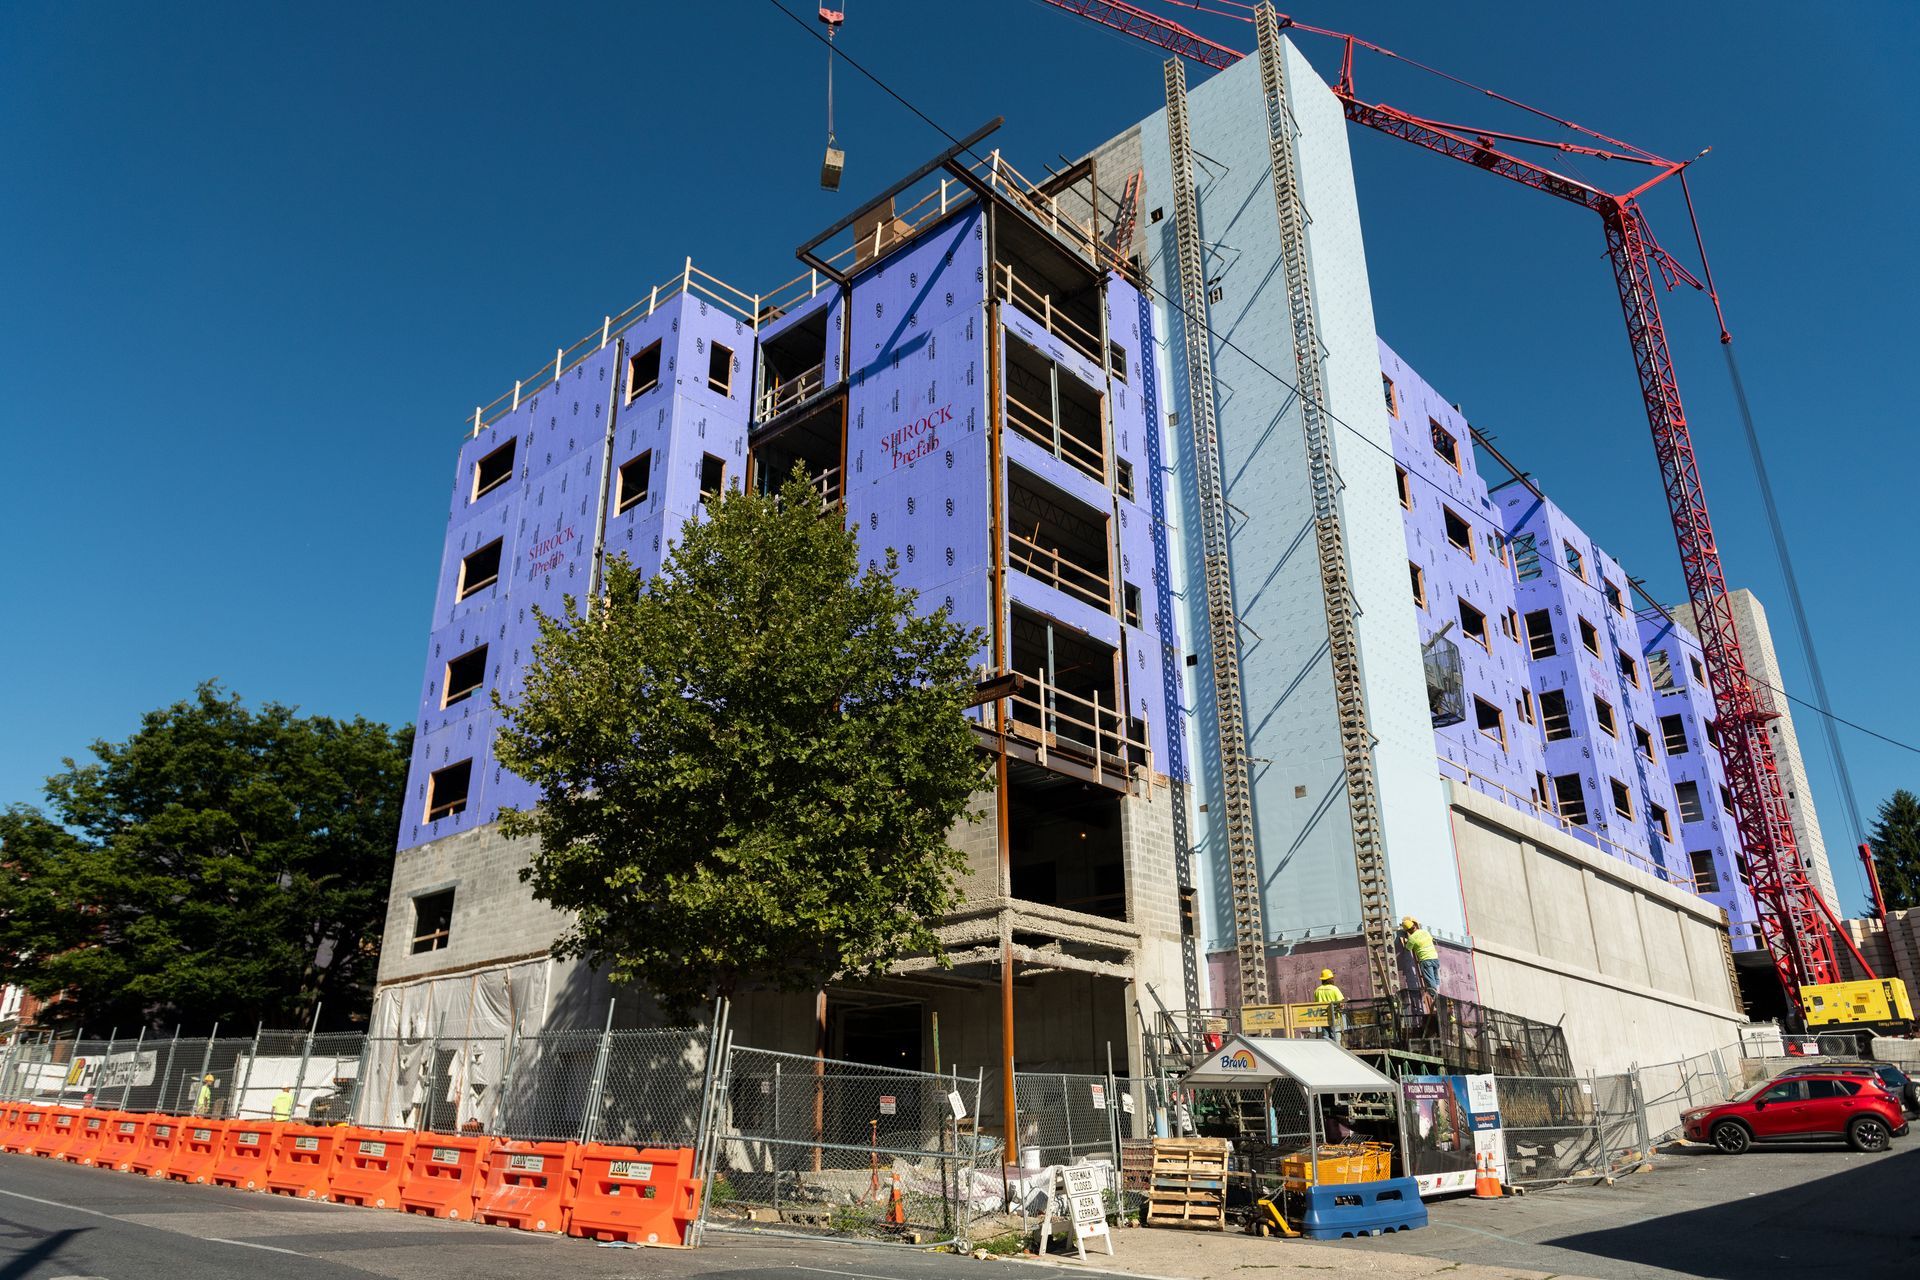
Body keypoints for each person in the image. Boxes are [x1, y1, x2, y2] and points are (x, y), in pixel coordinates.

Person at [1401, 916, 1440, 1014]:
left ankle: (1437, 1001)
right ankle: (1439, 995)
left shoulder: (1412, 938)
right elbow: (1430, 940)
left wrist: (1406, 942)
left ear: (1408, 931)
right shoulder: (1425, 932)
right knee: (1436, 979)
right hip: (1435, 957)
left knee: (1430, 981)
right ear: (1415, 925)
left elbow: (1408, 949)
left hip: (1425, 960)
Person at [1312, 968, 1345, 1040]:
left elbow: (1316, 1004)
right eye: (1332, 978)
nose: (1333, 979)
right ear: (1329, 979)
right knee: (1336, 1039)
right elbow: (1341, 1004)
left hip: (1323, 1019)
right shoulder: (1334, 989)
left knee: (1326, 1039)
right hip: (1334, 1018)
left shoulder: (1317, 990)